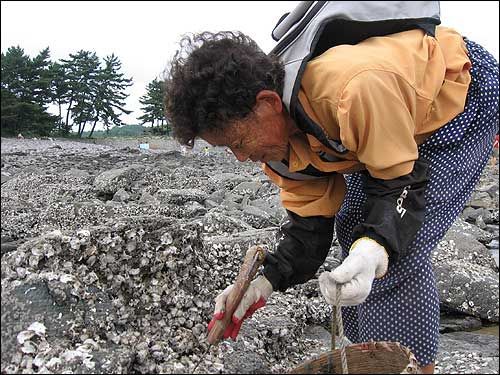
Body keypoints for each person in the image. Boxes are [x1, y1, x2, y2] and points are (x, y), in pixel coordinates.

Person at [164, 24, 499, 374]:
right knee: (356, 232)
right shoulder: (278, 147)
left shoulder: (351, 90)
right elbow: (310, 228)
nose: (240, 157)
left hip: (458, 90)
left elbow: (401, 184)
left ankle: (404, 366)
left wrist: (377, 248)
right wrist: (264, 282)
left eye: (237, 142)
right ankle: (365, 359)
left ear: (267, 104)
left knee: (393, 254)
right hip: (388, 117)